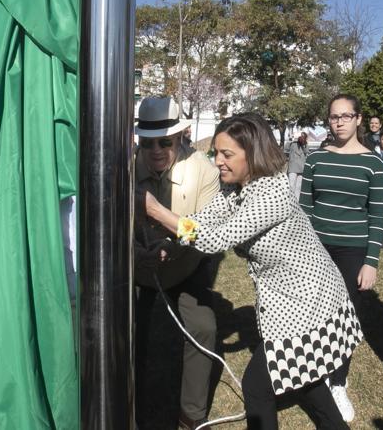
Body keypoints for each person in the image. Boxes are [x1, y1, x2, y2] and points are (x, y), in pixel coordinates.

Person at [142, 113, 360, 429]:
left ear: (253, 153)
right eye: (215, 153)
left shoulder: (272, 192)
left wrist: (155, 210)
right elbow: (203, 222)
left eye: (227, 154)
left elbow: (215, 239)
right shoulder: (237, 189)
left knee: (258, 388)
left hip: (309, 302)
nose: (218, 161)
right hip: (289, 301)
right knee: (307, 383)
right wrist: (172, 244)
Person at [131, 96, 221, 430]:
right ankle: (127, 399)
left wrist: (158, 218)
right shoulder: (122, 166)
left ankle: (192, 416)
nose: (155, 150)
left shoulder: (204, 170)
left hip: (186, 264)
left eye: (164, 142)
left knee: (203, 327)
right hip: (136, 267)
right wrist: (137, 254)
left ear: (181, 137)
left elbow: (206, 232)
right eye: (147, 142)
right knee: (124, 330)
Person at [298, 93, 383, 421]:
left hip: (353, 250)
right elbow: (305, 208)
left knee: (345, 316)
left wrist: (371, 261)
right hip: (317, 248)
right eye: (334, 117)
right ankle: (314, 371)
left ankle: (338, 381)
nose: (338, 122)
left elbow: (378, 217)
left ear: (358, 119)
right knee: (314, 312)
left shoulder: (373, 163)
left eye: (345, 116)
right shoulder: (315, 159)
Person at [286, 132, 308, 198]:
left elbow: (306, 152)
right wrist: (292, 140)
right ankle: (290, 200)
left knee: (298, 187)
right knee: (291, 185)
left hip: (301, 168)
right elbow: (286, 148)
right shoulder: (293, 143)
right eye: (300, 136)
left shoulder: (305, 144)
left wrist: (304, 144)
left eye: (303, 136)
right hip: (293, 167)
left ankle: (297, 202)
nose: (301, 137)